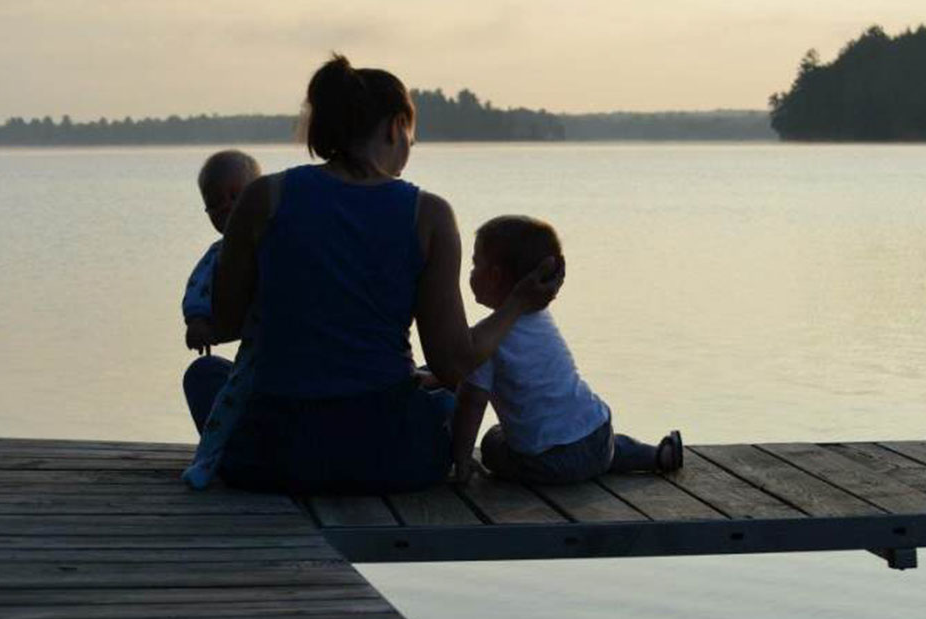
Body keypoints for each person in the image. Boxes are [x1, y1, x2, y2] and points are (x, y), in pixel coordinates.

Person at [207, 54, 562, 495]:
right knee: (447, 401)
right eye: (411, 135)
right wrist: (517, 305)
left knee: (208, 380)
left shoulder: (264, 197)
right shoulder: (427, 215)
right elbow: (453, 366)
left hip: (270, 457)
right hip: (389, 457)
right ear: (396, 127)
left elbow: (223, 322)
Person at [451, 215, 683, 486]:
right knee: (590, 442)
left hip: (552, 462)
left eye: (474, 263)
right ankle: (658, 456)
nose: (470, 272)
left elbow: (472, 402)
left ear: (494, 276)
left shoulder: (486, 341)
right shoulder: (540, 318)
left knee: (493, 442)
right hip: (598, 431)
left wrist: (461, 458)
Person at [180, 150, 262, 489]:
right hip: (253, 359)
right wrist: (198, 320)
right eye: (214, 204)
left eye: (236, 196)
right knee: (226, 394)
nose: (226, 208)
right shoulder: (220, 253)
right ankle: (209, 457)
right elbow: (199, 286)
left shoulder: (285, 239)